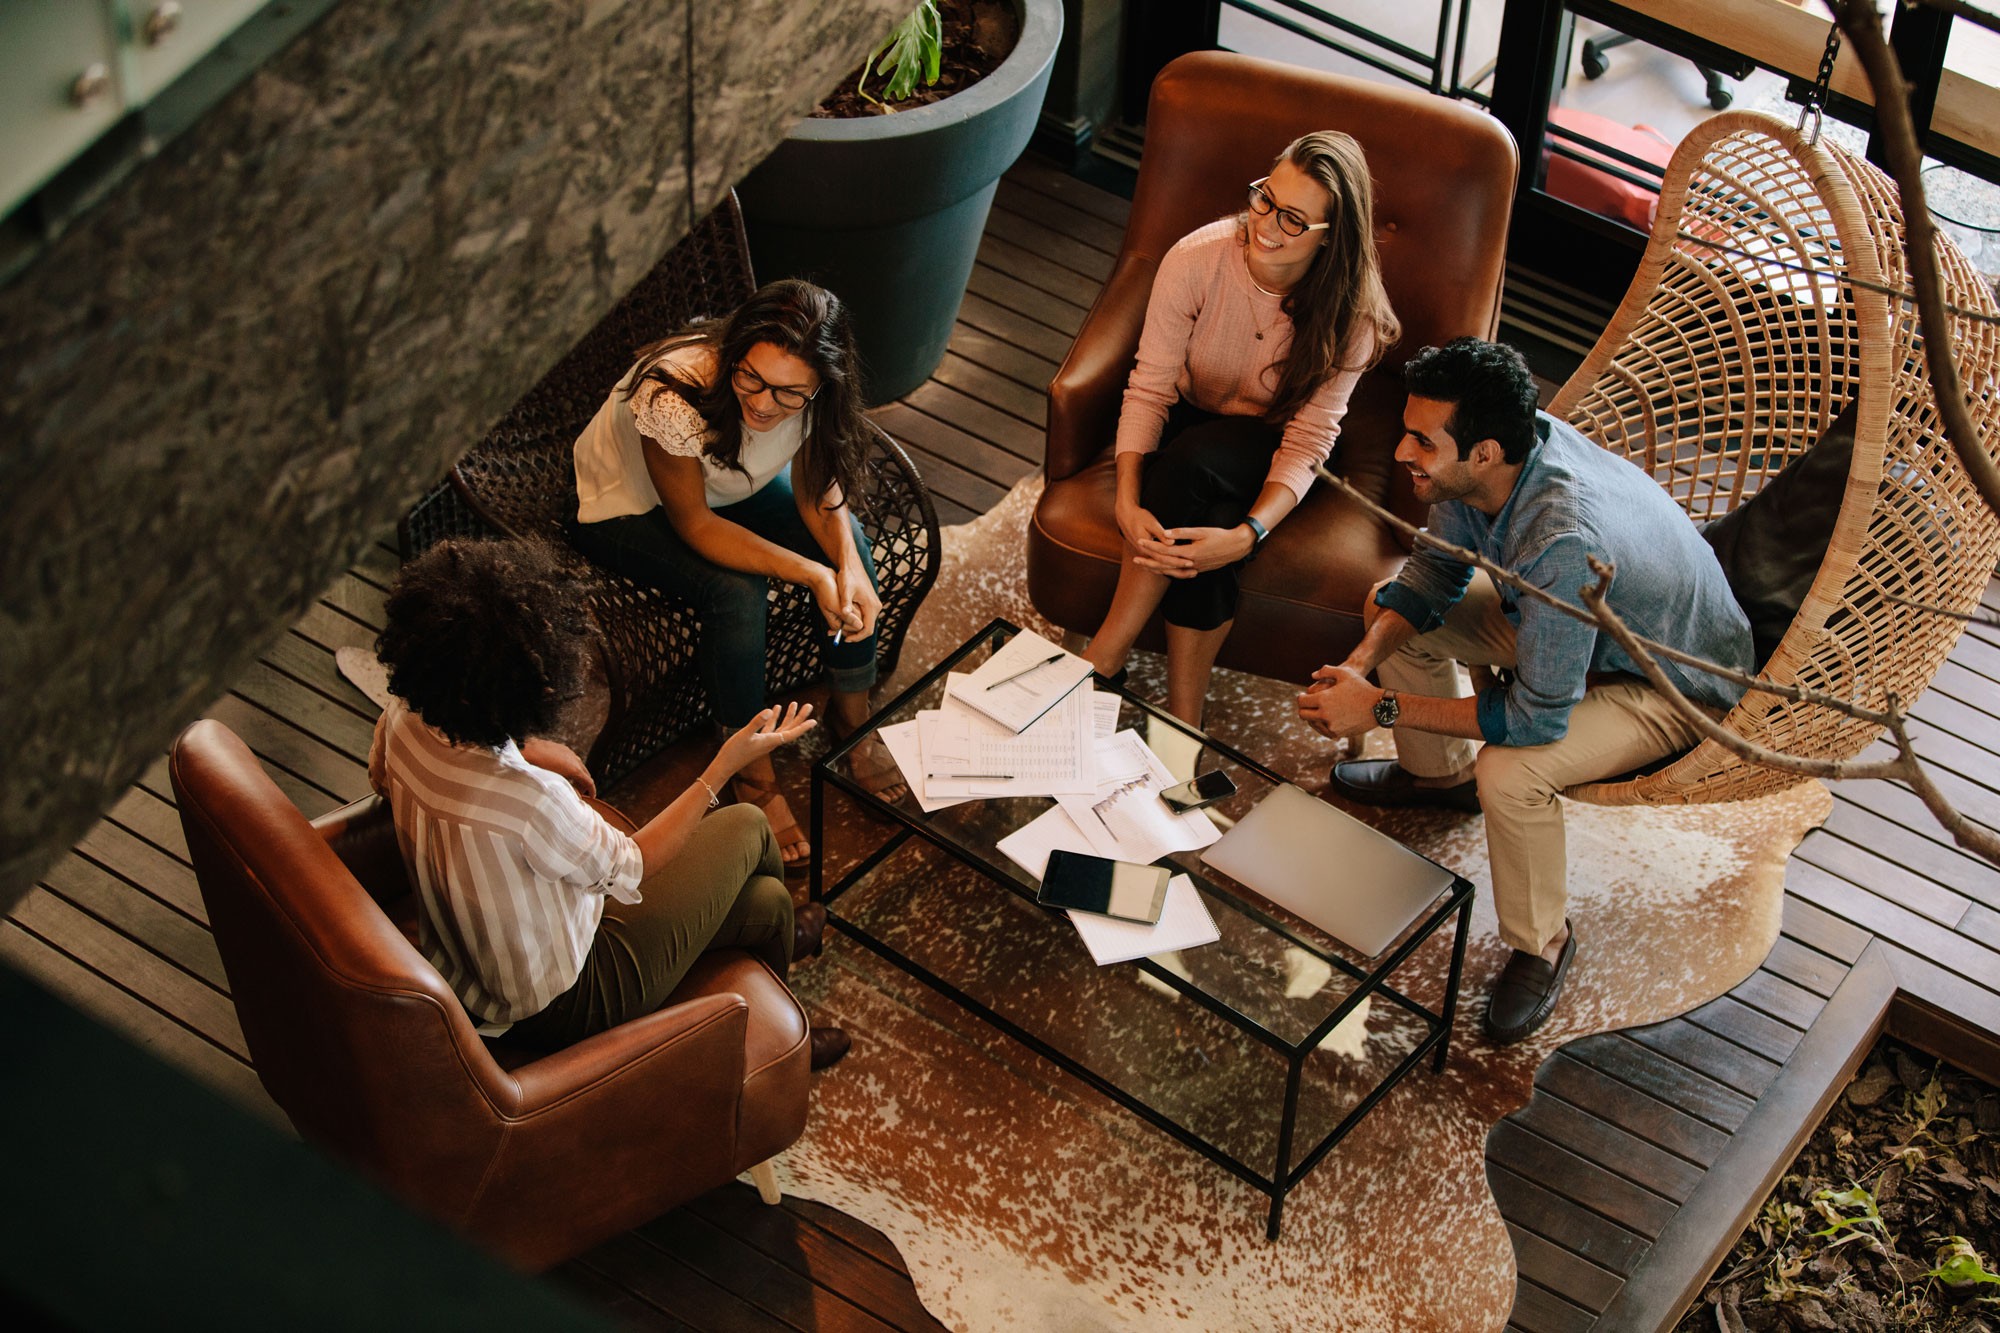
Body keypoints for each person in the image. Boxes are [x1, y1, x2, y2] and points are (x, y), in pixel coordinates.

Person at [1298, 338, 1753, 1044]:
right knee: (1388, 605)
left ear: (1482, 451)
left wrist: (1379, 707)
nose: (1400, 453)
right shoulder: (1491, 463)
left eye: (1422, 440)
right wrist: (1359, 668)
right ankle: (1435, 777)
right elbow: (1431, 577)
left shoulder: (1560, 537)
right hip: (1563, 620)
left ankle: (1542, 941)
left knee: (1509, 771)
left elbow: (1536, 718)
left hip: (1671, 682)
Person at [368, 536, 850, 1069]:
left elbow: (388, 778)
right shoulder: (531, 802)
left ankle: (783, 1014)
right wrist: (724, 765)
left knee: (768, 904)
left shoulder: (402, 718)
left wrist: (526, 748)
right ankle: (785, 1038)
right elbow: (634, 864)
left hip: (471, 966)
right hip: (562, 999)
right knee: (751, 826)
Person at [570, 278, 902, 871]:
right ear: (734, 353)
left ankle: (850, 714)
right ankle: (751, 773)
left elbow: (816, 482)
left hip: (730, 485)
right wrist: (811, 574)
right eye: (751, 377)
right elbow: (696, 526)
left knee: (852, 545)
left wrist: (845, 566)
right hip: (630, 503)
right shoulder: (672, 393)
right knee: (734, 593)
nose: (764, 404)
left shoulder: (814, 393)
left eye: (789, 393)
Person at [1083, 130, 1402, 725]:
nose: (1267, 224)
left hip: (1272, 442)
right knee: (1195, 489)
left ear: (1332, 236)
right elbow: (1149, 386)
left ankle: (1102, 657)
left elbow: (1309, 439)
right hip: (1188, 420)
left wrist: (1249, 534)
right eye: (1264, 198)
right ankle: (1183, 722)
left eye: (1294, 219)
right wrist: (1127, 502)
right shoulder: (1196, 259)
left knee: (1195, 465)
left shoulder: (1352, 313)